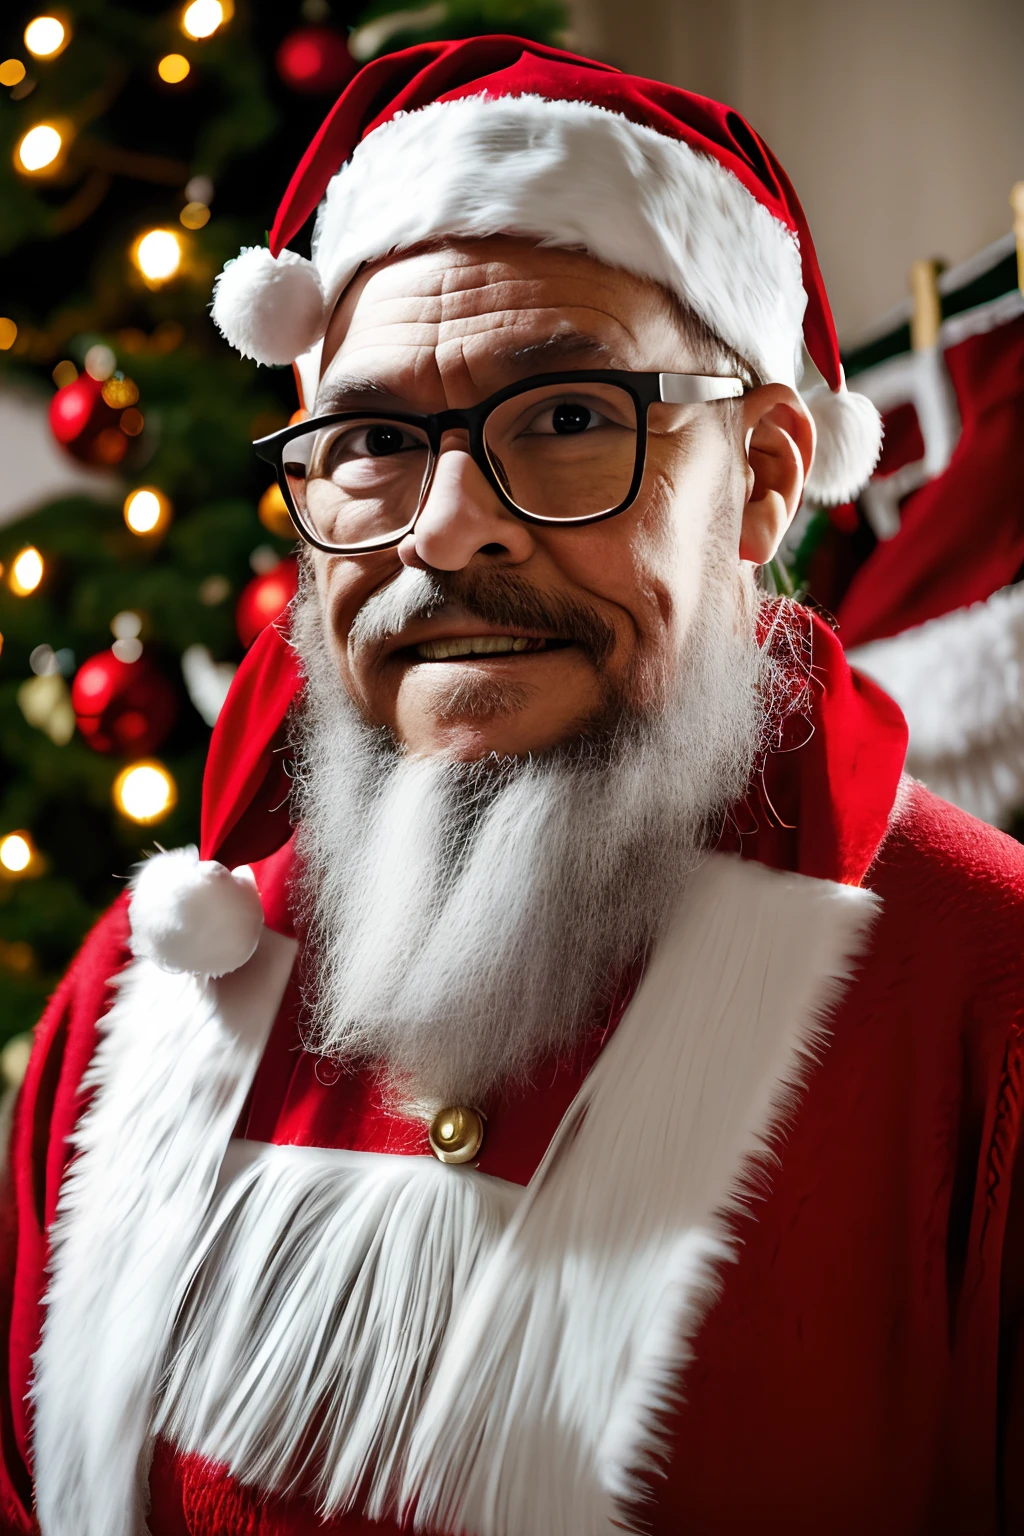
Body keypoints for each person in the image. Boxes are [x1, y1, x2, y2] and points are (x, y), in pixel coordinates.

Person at [3, 36, 1023, 1536]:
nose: (447, 530)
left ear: (761, 479)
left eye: (563, 419)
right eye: (368, 441)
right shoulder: (138, 1000)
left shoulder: (985, 1002)